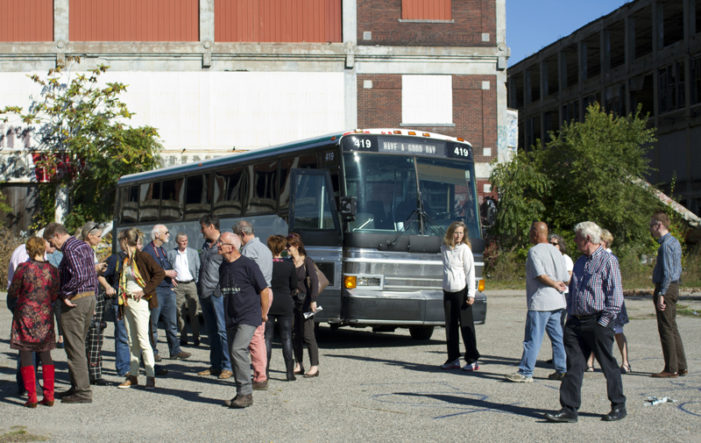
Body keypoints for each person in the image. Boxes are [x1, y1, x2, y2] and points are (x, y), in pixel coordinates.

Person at [544, 221, 626, 423]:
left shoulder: (608, 261)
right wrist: (570, 316)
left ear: (587, 239)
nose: (574, 241)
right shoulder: (580, 262)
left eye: (577, 237)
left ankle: (618, 405)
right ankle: (569, 409)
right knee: (573, 365)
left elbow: (616, 297)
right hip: (576, 322)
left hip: (597, 321)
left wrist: (604, 322)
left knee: (608, 365)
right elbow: (574, 291)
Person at [505, 222, 569, 383]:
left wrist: (553, 283)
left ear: (535, 233)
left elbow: (540, 274)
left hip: (541, 302)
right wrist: (558, 284)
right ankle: (562, 370)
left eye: (530, 232)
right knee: (558, 337)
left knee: (532, 337)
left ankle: (526, 372)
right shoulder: (556, 252)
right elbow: (566, 277)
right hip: (558, 301)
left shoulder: (534, 251)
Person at [43, 222, 99, 404]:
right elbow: (90, 273)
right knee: (79, 344)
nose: (52, 246)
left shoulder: (69, 248)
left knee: (74, 347)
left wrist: (65, 292)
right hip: (89, 297)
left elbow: (80, 275)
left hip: (76, 300)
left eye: (51, 241)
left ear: (57, 235)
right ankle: (77, 385)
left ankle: (82, 391)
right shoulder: (84, 245)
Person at [218, 232, 271, 408]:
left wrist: (263, 313)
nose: (218, 245)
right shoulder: (223, 266)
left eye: (221, 242)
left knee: (237, 349)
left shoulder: (248, 265)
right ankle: (240, 393)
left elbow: (263, 290)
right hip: (231, 316)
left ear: (231, 247)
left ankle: (247, 394)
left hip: (248, 315)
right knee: (235, 355)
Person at [8, 237, 60, 407]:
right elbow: (54, 294)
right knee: (46, 354)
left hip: (25, 314)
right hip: (44, 314)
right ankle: (49, 394)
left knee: (25, 353)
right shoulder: (52, 270)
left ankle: (31, 396)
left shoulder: (23, 268)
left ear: (29, 250)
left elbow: (13, 291)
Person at [116, 228, 166, 390]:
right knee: (132, 341)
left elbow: (159, 273)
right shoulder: (125, 260)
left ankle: (150, 376)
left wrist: (145, 291)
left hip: (141, 302)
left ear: (125, 241)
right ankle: (134, 375)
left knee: (143, 340)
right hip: (127, 302)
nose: (120, 245)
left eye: (121, 242)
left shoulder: (143, 256)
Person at [234, 220, 273, 390]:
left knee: (255, 337)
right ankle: (261, 374)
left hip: (257, 294)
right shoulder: (264, 247)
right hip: (267, 291)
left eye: (237, 235)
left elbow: (245, 275)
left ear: (242, 233)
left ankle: (259, 376)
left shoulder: (249, 250)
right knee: (259, 335)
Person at [585, 229, 631, 373]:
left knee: (617, 331)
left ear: (604, 242)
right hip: (599, 301)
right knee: (595, 331)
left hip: (611, 301)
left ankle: (625, 362)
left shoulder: (610, 258)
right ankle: (590, 362)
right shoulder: (593, 257)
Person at [143, 224, 191, 361]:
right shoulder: (148, 251)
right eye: (166, 232)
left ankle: (175, 350)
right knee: (153, 324)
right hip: (156, 290)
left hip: (167, 289)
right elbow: (148, 271)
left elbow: (164, 267)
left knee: (172, 323)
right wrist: (166, 273)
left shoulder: (162, 250)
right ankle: (152, 351)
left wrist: (171, 278)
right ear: (157, 235)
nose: (169, 235)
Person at [649, 211, 687, 378]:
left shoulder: (666, 245)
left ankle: (671, 368)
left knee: (665, 328)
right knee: (672, 327)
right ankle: (680, 365)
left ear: (659, 225)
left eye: (652, 225)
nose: (651, 229)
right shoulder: (674, 242)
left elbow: (668, 272)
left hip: (666, 287)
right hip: (673, 286)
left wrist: (661, 294)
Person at [439, 221, 480, 371]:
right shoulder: (444, 249)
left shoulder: (465, 250)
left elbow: (470, 272)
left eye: (461, 233)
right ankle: (453, 358)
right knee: (450, 326)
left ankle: (472, 359)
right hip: (448, 291)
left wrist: (471, 293)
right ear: (451, 233)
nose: (459, 236)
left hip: (461, 290)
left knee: (466, 325)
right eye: (456, 232)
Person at [197, 215, 233, 379]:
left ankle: (227, 365)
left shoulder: (224, 244)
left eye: (203, 227)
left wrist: (221, 289)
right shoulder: (205, 245)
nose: (201, 231)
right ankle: (215, 365)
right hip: (205, 292)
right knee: (211, 331)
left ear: (211, 226)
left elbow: (230, 268)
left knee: (222, 330)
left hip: (218, 294)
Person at [265, 235, 298, 381]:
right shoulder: (289, 264)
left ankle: (264, 372)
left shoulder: (265, 264)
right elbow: (294, 286)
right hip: (285, 302)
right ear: (282, 248)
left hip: (268, 302)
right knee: (286, 337)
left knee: (267, 338)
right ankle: (289, 372)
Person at [287, 233, 320, 378]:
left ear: (297, 246)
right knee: (295, 334)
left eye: (288, 246)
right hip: (292, 302)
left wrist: (313, 300)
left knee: (308, 335)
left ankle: (314, 366)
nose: (286, 248)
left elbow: (314, 282)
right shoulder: (288, 262)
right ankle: (299, 364)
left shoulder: (307, 262)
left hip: (306, 303)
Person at [81, 222, 110, 386]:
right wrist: (95, 267)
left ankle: (96, 372)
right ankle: (84, 372)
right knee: (86, 334)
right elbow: (81, 272)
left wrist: (106, 285)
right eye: (98, 236)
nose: (100, 239)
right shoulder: (80, 250)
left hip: (96, 293)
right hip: (86, 295)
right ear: (89, 235)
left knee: (97, 333)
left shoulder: (91, 251)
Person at [167, 233, 201, 347]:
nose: (185, 242)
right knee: (179, 313)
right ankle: (183, 338)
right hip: (178, 286)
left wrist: (195, 281)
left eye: (186, 240)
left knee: (194, 312)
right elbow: (168, 268)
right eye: (182, 241)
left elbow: (197, 268)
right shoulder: (171, 254)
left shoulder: (193, 253)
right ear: (177, 242)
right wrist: (171, 279)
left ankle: (196, 338)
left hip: (191, 283)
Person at [103, 247, 131, 377]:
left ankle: (139, 365)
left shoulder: (140, 257)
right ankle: (124, 368)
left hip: (136, 302)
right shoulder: (115, 259)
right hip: (119, 302)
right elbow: (101, 274)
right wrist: (108, 287)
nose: (139, 247)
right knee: (123, 336)